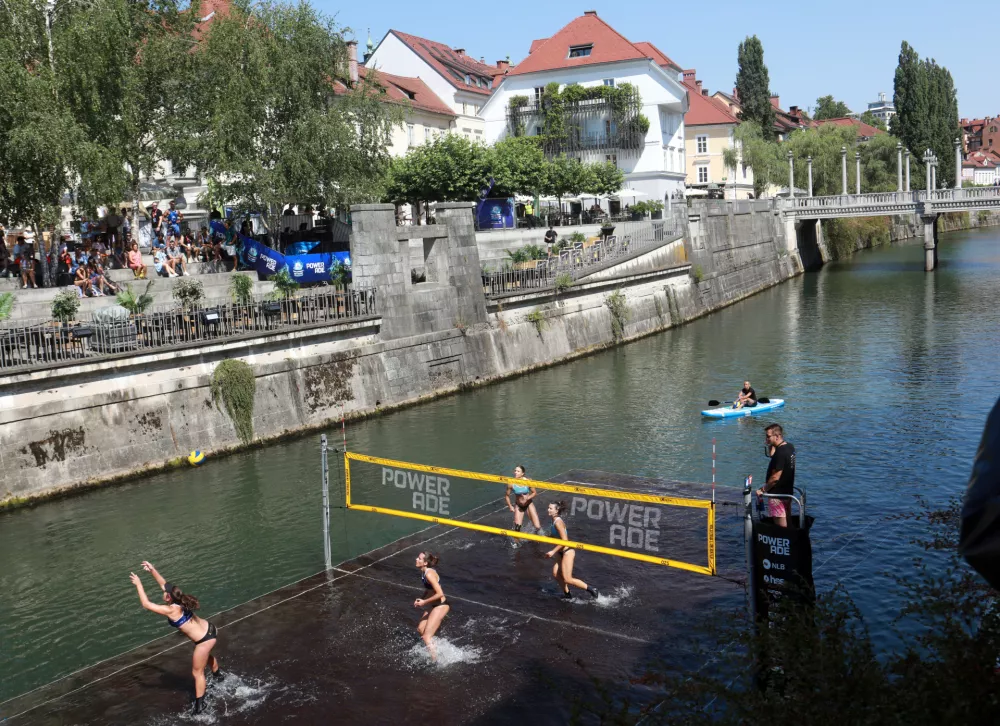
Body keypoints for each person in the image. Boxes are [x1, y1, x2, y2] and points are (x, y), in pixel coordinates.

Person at [130, 561, 221, 714]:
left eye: (164, 592)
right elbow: (164, 583)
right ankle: (219, 676)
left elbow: (146, 604)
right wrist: (152, 569)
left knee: (197, 673)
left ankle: (200, 707)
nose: (163, 590)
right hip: (211, 629)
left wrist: (138, 584)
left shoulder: (171, 610)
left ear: (167, 598)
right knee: (205, 655)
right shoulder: (179, 598)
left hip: (205, 640)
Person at [545, 501, 600, 600]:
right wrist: (545, 537)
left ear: (556, 510)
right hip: (560, 551)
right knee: (556, 574)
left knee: (568, 579)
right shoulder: (553, 521)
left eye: (550, 508)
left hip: (567, 552)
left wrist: (552, 551)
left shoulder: (558, 523)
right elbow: (556, 536)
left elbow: (565, 541)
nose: (548, 510)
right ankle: (567, 595)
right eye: (548, 508)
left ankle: (592, 590)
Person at [756, 423, 796, 528]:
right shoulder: (790, 447)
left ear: (777, 436)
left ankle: (785, 541)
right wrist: (772, 447)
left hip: (777, 496)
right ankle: (793, 540)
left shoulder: (780, 453)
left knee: (781, 527)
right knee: (788, 521)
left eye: (768, 436)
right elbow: (779, 460)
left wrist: (763, 490)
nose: (766, 439)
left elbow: (775, 478)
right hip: (787, 492)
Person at [413, 551, 449, 662]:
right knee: (420, 629)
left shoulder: (429, 574)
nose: (416, 559)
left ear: (424, 563)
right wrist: (422, 598)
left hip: (440, 605)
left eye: (419, 559)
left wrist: (424, 602)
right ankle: (435, 647)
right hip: (433, 605)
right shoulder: (424, 572)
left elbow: (440, 593)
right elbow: (429, 589)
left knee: (426, 637)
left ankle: (435, 662)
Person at [505, 465, 541, 534]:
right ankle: (516, 544)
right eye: (515, 471)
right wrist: (510, 506)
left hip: (528, 504)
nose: (515, 472)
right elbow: (507, 496)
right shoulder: (511, 483)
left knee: (537, 526)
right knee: (517, 529)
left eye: (518, 471)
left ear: (522, 473)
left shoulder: (528, 481)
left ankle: (539, 538)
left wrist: (528, 498)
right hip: (519, 506)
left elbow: (534, 493)